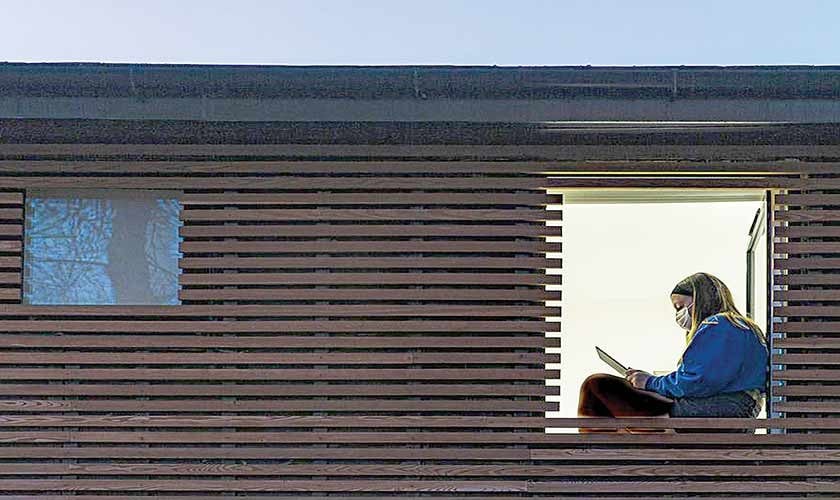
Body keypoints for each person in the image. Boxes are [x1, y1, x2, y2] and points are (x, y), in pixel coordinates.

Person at [577, 272, 768, 432]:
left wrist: (650, 382)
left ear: (700, 298)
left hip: (719, 409)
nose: (679, 314)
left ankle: (593, 455)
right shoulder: (742, 327)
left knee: (596, 385)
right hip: (734, 409)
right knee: (624, 409)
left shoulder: (718, 324)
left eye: (681, 306)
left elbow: (696, 381)